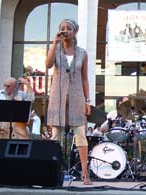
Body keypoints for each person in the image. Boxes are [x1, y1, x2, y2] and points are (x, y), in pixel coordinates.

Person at [45, 19, 92, 185]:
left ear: (75, 32)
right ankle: (51, 172)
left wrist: (87, 100)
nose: (65, 31)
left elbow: (85, 79)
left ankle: (85, 174)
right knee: (56, 136)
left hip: (77, 96)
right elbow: (48, 64)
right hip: (57, 96)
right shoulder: (56, 50)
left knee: (80, 134)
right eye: (62, 28)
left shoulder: (82, 53)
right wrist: (54, 43)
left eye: (68, 28)